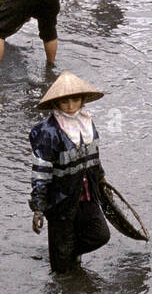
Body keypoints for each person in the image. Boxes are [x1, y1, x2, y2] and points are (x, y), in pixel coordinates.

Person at [29, 72, 110, 275]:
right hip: (60, 200)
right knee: (62, 269)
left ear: (82, 100)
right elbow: (41, 173)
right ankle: (64, 269)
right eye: (65, 101)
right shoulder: (48, 131)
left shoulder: (87, 123)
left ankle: (67, 254)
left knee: (100, 234)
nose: (71, 106)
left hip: (86, 194)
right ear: (56, 103)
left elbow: (94, 157)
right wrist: (38, 209)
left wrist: (101, 179)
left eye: (75, 100)